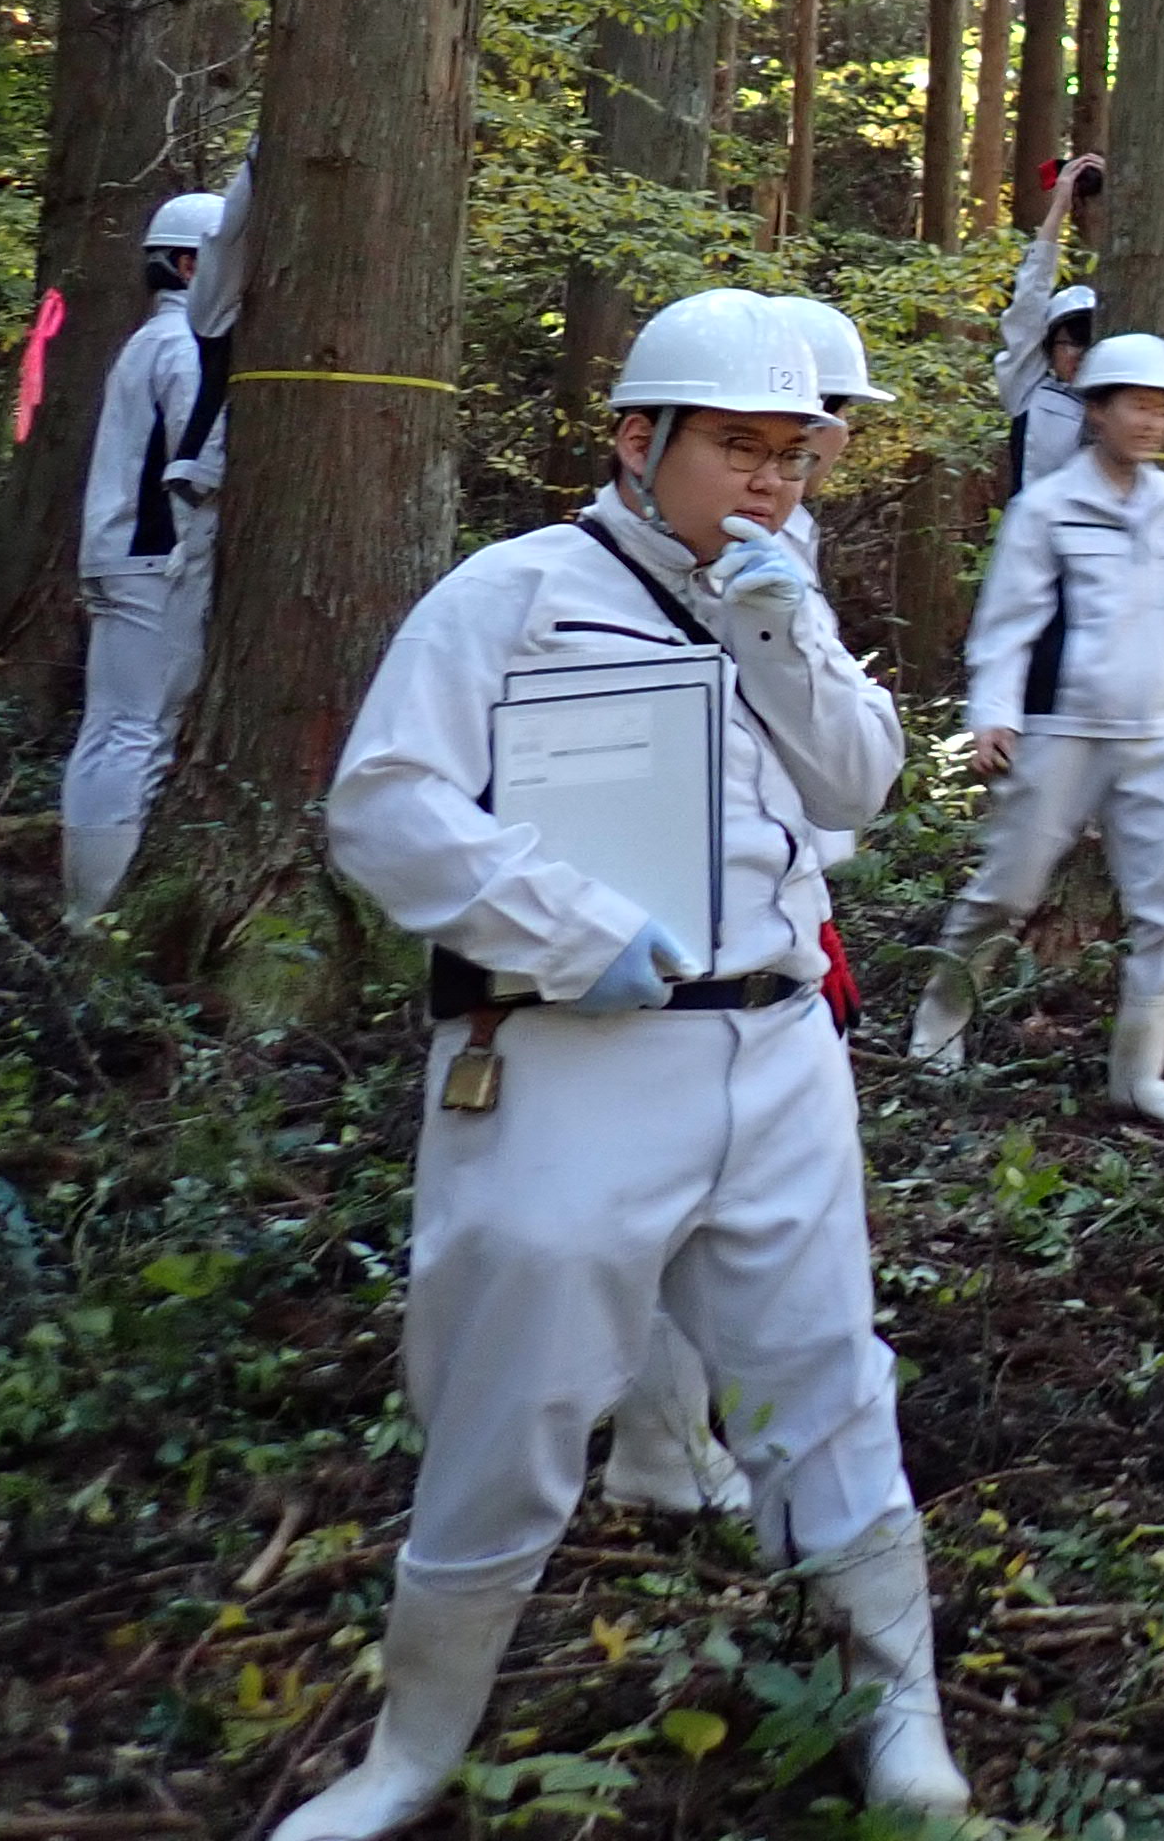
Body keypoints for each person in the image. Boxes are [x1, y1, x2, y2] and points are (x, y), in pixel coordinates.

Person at [282, 289, 963, 1839]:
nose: (772, 482)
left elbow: (863, 777)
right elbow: (387, 805)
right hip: (573, 1055)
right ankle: (414, 1748)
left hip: (781, 1043)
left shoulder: (786, 595)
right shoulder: (510, 595)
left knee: (827, 1375)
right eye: (739, 449)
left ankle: (898, 1707)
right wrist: (566, 924)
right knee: (511, 1397)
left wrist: (783, 625)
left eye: (796, 455)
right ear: (637, 439)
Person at [594, 291, 902, 1525]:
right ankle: (659, 1445)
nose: (812, 454)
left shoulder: (789, 540)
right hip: (673, 918)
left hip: (775, 902)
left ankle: (696, 1441)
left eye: (818, 435)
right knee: (663, 1195)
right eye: (785, 436)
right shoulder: (591, 571)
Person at [911, 330, 1164, 1129]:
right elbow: (1007, 623)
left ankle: (1139, 1076)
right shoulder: (1046, 507)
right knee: (1006, 890)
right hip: (1063, 728)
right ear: (1098, 411)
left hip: (1157, 734)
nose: (1151, 423)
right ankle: (934, 1034)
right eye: (1137, 406)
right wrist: (993, 716)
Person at [59, 188, 233, 924]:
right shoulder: (183, 346)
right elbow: (194, 462)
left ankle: (88, 910)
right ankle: (100, 916)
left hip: (122, 554)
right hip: (154, 558)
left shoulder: (147, 341)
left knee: (112, 727)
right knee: (137, 732)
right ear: (191, 267)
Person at [996, 155, 1105, 497]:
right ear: (1049, 346)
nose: (1079, 355)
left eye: (1088, 344)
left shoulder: (1117, 398)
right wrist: (1059, 206)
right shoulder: (1028, 388)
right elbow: (1029, 300)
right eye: (1070, 342)